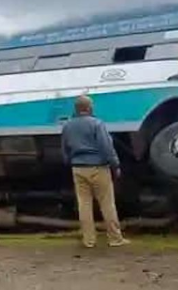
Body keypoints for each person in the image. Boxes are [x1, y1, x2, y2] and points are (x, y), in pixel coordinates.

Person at [61, 95, 129, 248]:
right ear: (89, 108)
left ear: (76, 109)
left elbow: (65, 149)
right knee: (107, 203)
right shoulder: (97, 124)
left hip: (78, 168)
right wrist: (115, 165)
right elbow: (106, 147)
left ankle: (89, 240)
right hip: (98, 168)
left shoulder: (67, 126)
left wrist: (70, 163)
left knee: (84, 204)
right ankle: (115, 238)